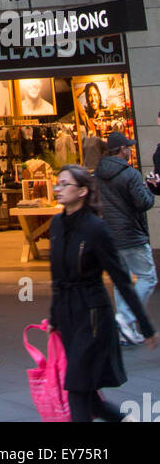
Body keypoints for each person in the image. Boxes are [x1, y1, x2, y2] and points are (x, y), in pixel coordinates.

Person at [50, 164, 158, 422]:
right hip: (68, 317)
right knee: (89, 397)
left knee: (76, 387)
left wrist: (145, 327)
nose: (58, 189)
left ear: (83, 191)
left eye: (65, 184)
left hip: (93, 318)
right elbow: (57, 277)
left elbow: (122, 279)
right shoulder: (56, 225)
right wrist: (54, 318)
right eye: (58, 183)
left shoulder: (96, 229)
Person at [94, 131, 157, 347]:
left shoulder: (98, 175)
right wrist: (149, 187)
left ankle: (125, 331)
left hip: (110, 235)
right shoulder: (131, 174)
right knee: (148, 278)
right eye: (128, 147)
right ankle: (126, 318)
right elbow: (144, 203)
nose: (130, 151)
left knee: (122, 282)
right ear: (122, 150)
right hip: (132, 234)